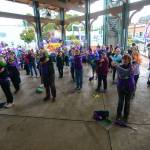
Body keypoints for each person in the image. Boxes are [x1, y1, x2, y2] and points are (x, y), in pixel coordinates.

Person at [112, 54, 135, 122]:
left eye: (127, 59)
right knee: (120, 102)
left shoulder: (131, 67)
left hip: (129, 87)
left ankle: (125, 117)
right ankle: (118, 115)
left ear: (129, 60)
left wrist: (116, 66)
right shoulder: (120, 66)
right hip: (121, 87)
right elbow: (120, 73)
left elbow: (126, 73)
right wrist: (113, 64)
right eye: (124, 59)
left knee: (127, 102)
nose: (125, 60)